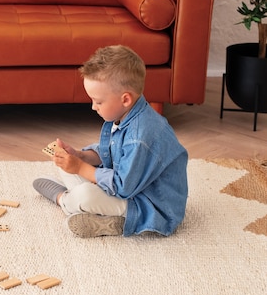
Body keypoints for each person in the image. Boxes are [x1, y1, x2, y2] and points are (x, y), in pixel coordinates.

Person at [33, 45, 188, 238]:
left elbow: (123, 187)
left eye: (98, 101)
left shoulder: (140, 138)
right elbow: (110, 153)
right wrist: (80, 157)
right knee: (66, 166)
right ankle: (105, 216)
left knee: (85, 195)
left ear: (125, 99)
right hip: (129, 188)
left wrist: (81, 168)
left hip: (148, 204)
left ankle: (63, 199)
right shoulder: (125, 115)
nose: (93, 107)